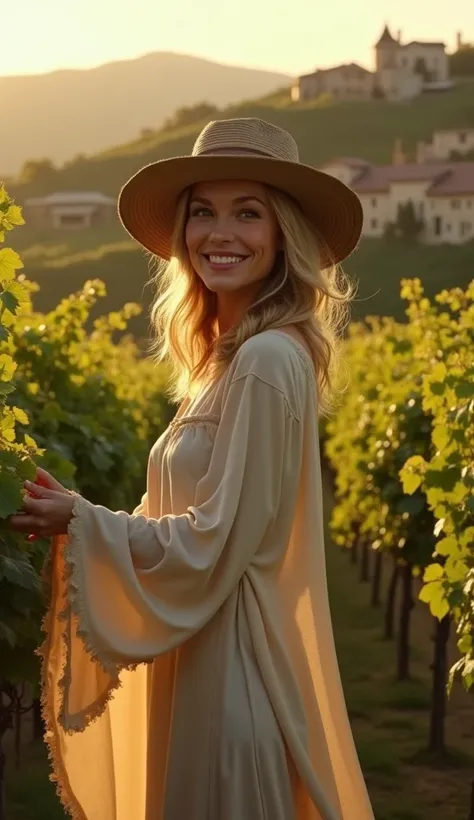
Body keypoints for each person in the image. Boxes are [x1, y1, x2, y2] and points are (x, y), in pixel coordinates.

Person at [9, 117, 374, 820]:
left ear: (283, 233)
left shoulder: (267, 361)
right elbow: (189, 518)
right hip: (204, 671)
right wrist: (79, 516)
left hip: (231, 683)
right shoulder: (228, 359)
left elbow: (216, 540)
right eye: (202, 212)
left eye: (248, 212)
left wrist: (85, 521)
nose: (219, 232)